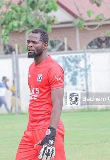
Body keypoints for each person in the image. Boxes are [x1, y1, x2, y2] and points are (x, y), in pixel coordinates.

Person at [15, 28, 66, 160]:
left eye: (34, 42)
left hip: (47, 129)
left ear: (45, 45)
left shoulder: (53, 68)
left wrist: (51, 134)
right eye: (28, 42)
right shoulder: (32, 68)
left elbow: (58, 103)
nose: (30, 45)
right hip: (30, 130)